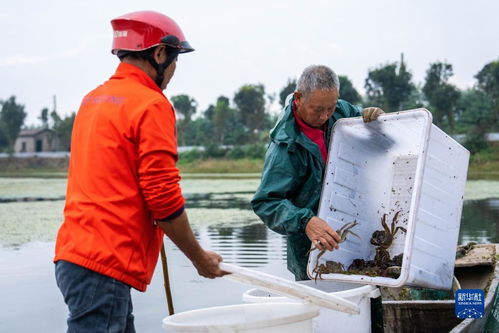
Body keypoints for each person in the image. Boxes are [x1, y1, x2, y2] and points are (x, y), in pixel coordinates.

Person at [54, 11, 225, 332]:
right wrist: (198, 257)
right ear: (160, 53)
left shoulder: (92, 100)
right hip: (104, 264)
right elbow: (163, 198)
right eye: (175, 60)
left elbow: (118, 176)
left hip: (75, 257)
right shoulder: (151, 104)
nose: (174, 70)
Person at [251, 65, 384, 281]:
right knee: (321, 308)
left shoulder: (340, 111)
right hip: (310, 250)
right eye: (317, 109)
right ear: (298, 98)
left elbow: (366, 124)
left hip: (356, 230)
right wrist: (306, 222)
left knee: (369, 298)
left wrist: (375, 117)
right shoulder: (284, 148)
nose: (325, 116)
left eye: (330, 108)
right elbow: (266, 203)